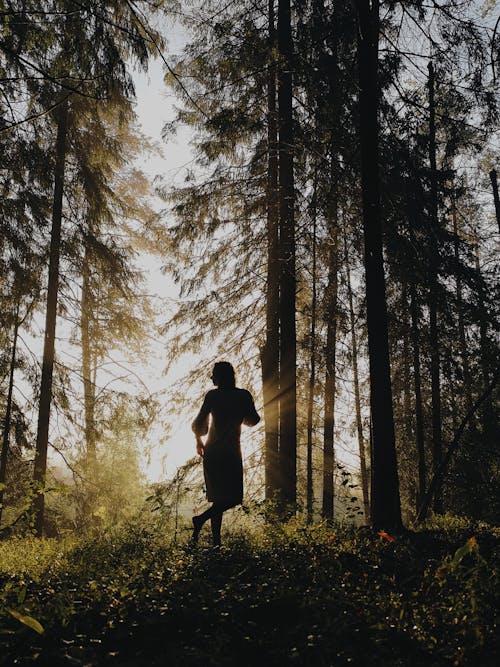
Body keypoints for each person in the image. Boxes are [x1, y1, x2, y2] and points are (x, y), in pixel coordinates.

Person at [191, 361, 260, 546]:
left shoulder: (212, 396)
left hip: (211, 452)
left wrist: (198, 440)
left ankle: (215, 542)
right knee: (233, 498)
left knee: (218, 499)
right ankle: (205, 527)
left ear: (219, 377)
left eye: (214, 374)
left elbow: (198, 424)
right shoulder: (243, 396)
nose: (212, 378)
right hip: (231, 453)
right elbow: (254, 420)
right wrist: (240, 414)